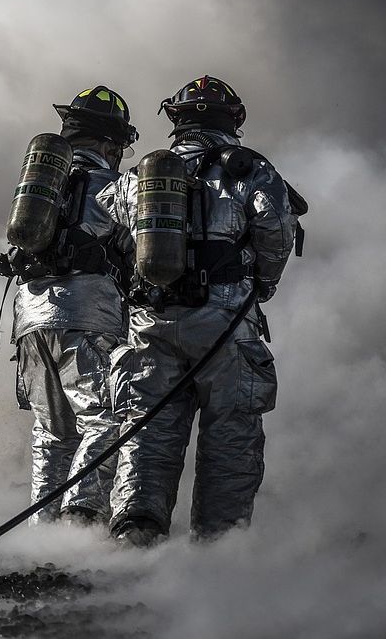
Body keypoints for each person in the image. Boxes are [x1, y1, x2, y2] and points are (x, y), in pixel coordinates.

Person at [98, 75, 303, 544]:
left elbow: (110, 231)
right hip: (226, 321)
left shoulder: (139, 177)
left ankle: (136, 535)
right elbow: (275, 229)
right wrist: (263, 285)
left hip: (151, 320)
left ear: (177, 120)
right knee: (231, 434)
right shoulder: (250, 169)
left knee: (148, 430)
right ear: (234, 119)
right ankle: (218, 550)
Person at [1, 85, 138, 527]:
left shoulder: (38, 193)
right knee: (106, 420)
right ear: (107, 143)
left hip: (30, 318)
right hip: (88, 316)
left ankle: (43, 531)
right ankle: (79, 519)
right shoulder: (115, 187)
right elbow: (144, 258)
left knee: (51, 430)